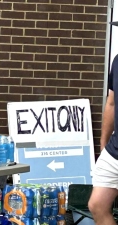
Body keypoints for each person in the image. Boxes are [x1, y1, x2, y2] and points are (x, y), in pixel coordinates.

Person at [88, 24, 118, 224]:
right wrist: (103, 141)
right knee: (97, 205)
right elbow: (111, 102)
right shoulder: (117, 61)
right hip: (115, 150)